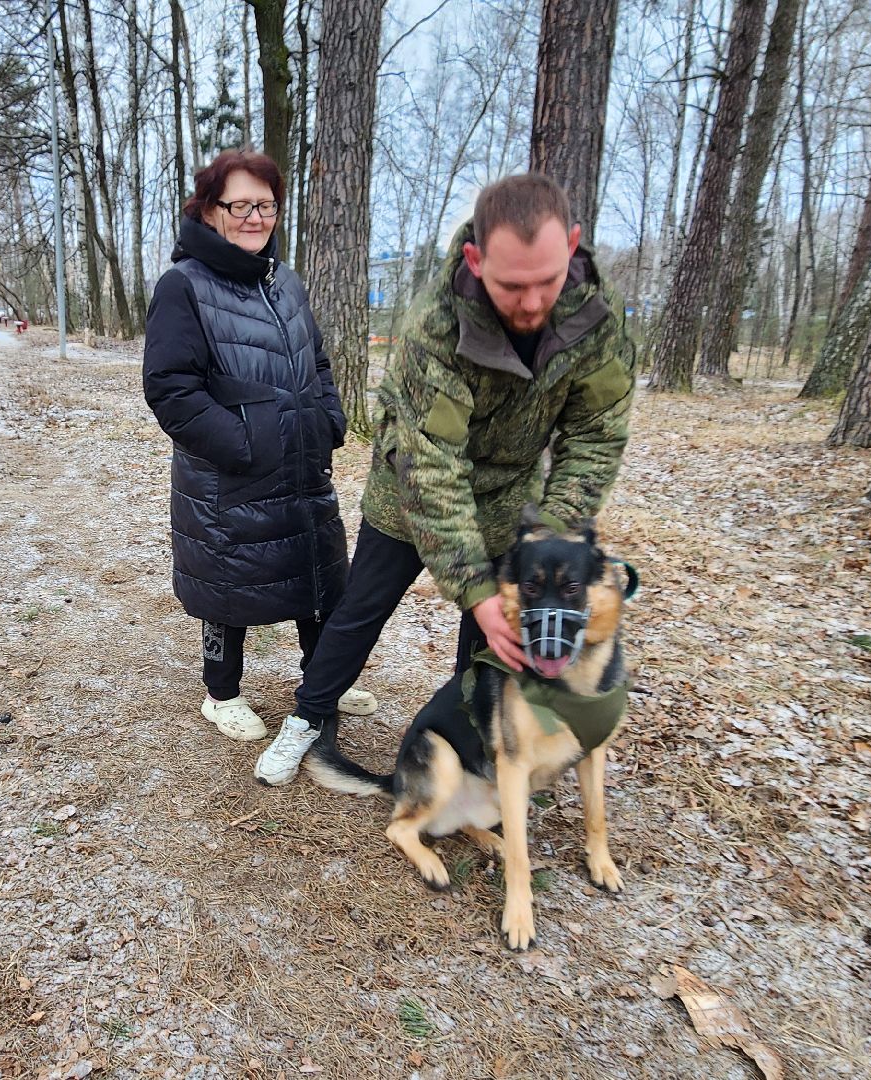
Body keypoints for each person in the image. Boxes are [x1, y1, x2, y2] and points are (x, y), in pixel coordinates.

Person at [254, 172, 638, 785]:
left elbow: (596, 433)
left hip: (514, 497)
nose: (534, 303)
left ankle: (478, 739)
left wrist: (555, 535)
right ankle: (309, 713)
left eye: (547, 281)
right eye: (513, 286)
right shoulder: (435, 327)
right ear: (475, 259)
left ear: (572, 246)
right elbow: (432, 467)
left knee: (489, 635)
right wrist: (473, 587)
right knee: (363, 608)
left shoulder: (598, 318)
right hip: (412, 494)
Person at [143, 150, 376, 743]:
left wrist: (328, 420)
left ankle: (325, 682)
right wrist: (244, 444)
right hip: (231, 473)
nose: (255, 217)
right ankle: (221, 694)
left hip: (301, 465)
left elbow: (317, 361)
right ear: (210, 210)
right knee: (228, 580)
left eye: (266, 205)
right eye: (241, 205)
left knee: (317, 575)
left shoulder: (285, 281)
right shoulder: (183, 286)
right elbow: (170, 388)